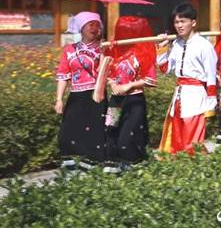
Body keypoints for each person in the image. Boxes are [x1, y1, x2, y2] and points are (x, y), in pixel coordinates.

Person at [157, 3, 218, 155]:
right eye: (176, 22)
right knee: (176, 137)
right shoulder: (176, 44)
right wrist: (162, 48)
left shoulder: (204, 46)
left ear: (193, 22)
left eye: (183, 21)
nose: (179, 25)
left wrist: (211, 103)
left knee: (193, 138)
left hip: (196, 96)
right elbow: (165, 69)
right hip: (179, 96)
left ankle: (196, 166)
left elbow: (211, 75)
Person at [104, 16, 156, 172]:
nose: (126, 34)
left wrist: (129, 85)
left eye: (130, 31)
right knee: (110, 129)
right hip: (115, 100)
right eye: (123, 31)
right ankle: (114, 166)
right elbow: (107, 72)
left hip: (134, 101)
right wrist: (113, 84)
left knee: (128, 135)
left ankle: (133, 165)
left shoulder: (143, 52)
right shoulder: (114, 50)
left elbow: (150, 80)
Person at [54, 11, 106, 170]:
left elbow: (107, 71)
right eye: (90, 24)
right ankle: (67, 159)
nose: (94, 28)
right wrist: (58, 99)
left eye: (97, 24)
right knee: (68, 128)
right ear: (81, 27)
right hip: (76, 95)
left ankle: (91, 159)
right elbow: (63, 75)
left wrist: (105, 53)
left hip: (96, 94)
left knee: (96, 128)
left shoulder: (103, 48)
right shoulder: (69, 50)